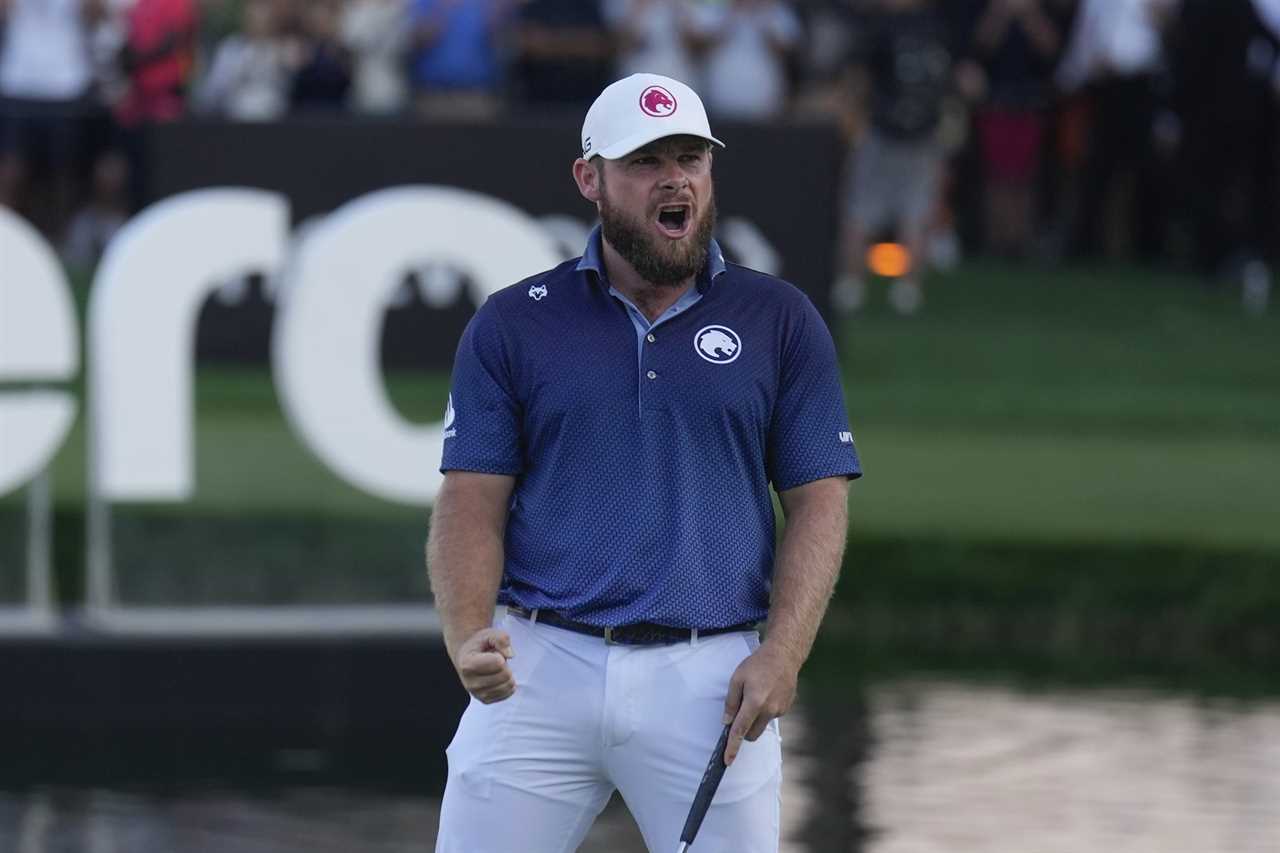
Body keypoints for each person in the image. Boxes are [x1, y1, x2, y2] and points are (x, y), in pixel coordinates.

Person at [428, 72, 861, 852]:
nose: (674, 178)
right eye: (645, 160)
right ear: (589, 179)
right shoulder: (513, 324)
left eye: (690, 158)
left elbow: (819, 501)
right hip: (539, 665)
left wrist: (783, 653)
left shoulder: (779, 320)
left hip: (710, 677)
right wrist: (468, 632)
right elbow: (470, 500)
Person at [831, 0, 956, 315]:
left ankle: (851, 285)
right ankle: (908, 290)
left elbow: (857, 77)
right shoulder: (938, 26)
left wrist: (852, 120)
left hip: (885, 132)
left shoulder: (881, 25)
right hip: (920, 133)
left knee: (861, 209)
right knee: (916, 212)